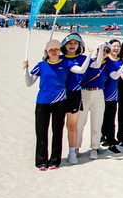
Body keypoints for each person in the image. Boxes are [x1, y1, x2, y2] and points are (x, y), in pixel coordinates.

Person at [23, 39, 88, 170]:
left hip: (60, 101)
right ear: (46, 51)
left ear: (59, 50)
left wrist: (89, 55)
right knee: (41, 131)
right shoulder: (41, 65)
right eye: (51, 50)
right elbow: (29, 82)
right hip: (43, 102)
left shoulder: (66, 63)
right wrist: (25, 69)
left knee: (57, 131)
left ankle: (55, 161)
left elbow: (81, 70)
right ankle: (41, 161)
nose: (54, 52)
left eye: (56, 49)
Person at [60, 33, 93, 164]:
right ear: (64, 45)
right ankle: (56, 153)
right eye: (69, 43)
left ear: (80, 45)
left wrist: (96, 51)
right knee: (58, 125)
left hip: (75, 94)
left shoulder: (84, 58)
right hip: (60, 93)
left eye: (75, 43)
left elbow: (96, 65)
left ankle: (72, 152)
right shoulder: (60, 58)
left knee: (72, 125)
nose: (72, 45)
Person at [101, 40, 123, 153]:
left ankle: (116, 139)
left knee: (117, 115)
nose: (116, 48)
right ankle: (105, 138)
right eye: (114, 46)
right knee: (107, 117)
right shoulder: (106, 60)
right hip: (105, 92)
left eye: (118, 46)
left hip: (118, 91)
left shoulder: (121, 60)